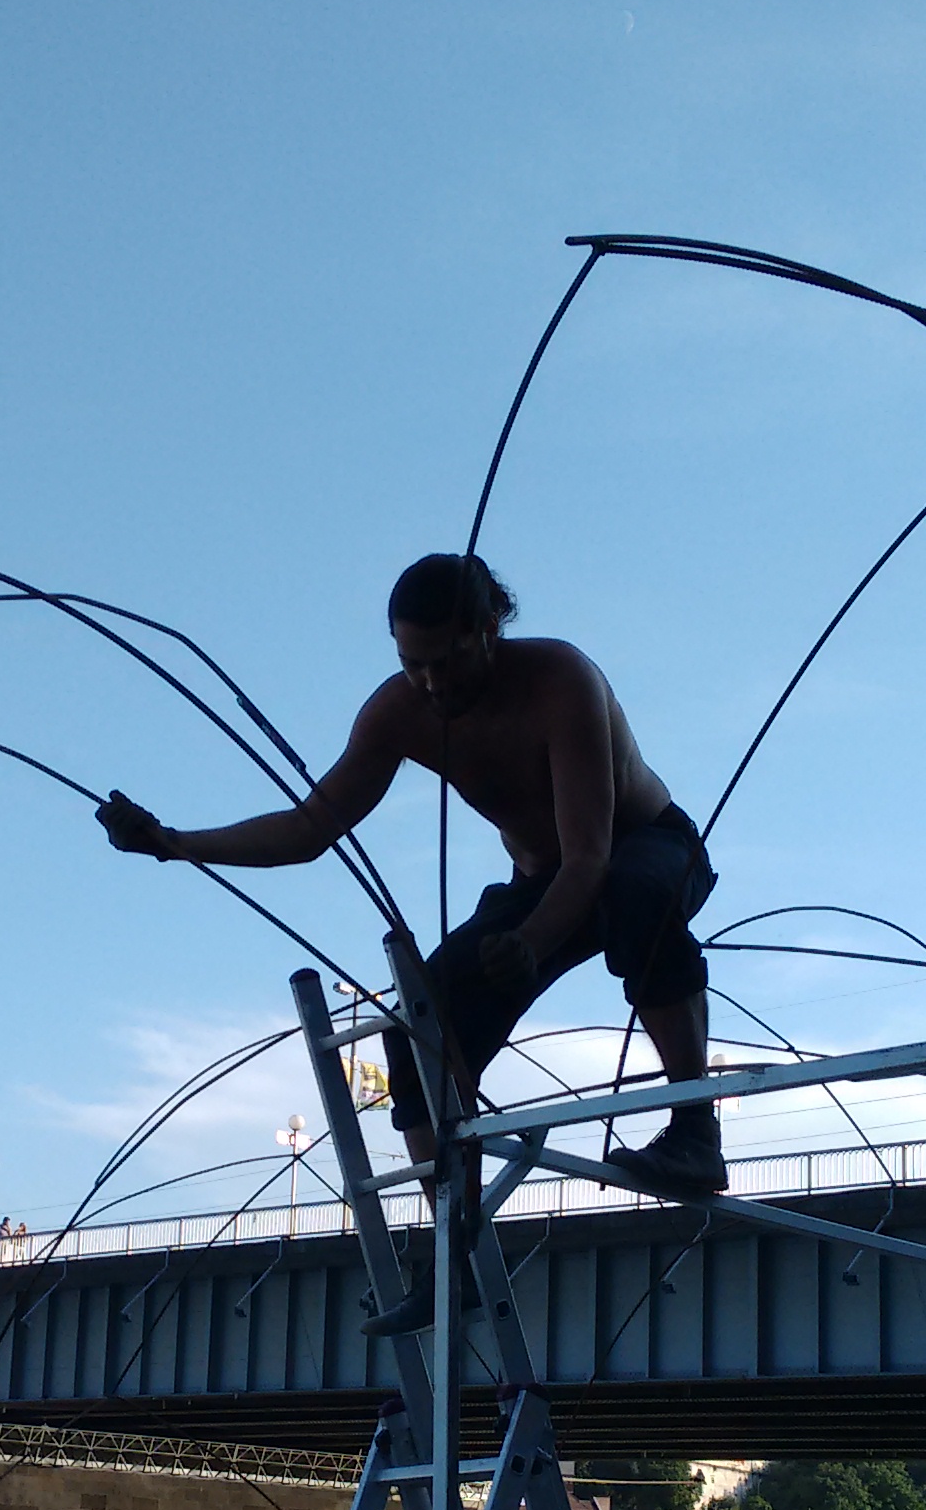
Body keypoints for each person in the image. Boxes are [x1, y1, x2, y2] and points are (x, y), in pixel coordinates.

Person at [99, 552, 725, 1329]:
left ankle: (694, 1131)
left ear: (489, 628)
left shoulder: (562, 680)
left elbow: (592, 857)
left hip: (642, 847)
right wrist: (174, 842)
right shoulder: (400, 711)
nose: (431, 682)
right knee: (419, 1025)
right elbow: (309, 827)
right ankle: (448, 1254)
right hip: (537, 884)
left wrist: (530, 943)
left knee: (640, 901)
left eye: (447, 659)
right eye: (411, 663)